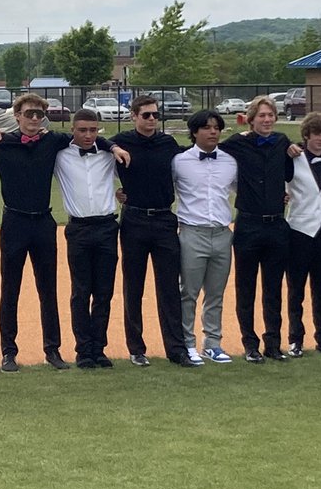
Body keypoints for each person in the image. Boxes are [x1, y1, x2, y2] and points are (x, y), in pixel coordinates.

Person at [0, 93, 127, 372]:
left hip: (43, 222)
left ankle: (52, 350)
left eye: (39, 114)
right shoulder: (1, 143)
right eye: (29, 114)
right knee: (10, 288)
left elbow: (88, 136)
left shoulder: (54, 141)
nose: (35, 119)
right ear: (17, 115)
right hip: (14, 221)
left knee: (48, 289)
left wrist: (112, 146)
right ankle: (8, 352)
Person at [112, 95, 194, 368]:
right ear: (134, 115)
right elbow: (97, 156)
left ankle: (176, 349)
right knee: (133, 286)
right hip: (134, 219)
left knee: (169, 287)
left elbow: (192, 156)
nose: (151, 120)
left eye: (155, 115)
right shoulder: (122, 142)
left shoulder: (167, 143)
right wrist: (117, 192)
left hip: (164, 220)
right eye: (145, 115)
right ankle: (136, 348)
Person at [218, 95, 294, 363]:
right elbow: (212, 153)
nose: (267, 120)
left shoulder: (282, 142)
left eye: (270, 115)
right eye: (261, 116)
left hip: (276, 224)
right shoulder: (238, 144)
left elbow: (289, 174)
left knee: (273, 288)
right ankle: (249, 344)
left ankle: (273, 343)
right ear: (250, 119)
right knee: (246, 287)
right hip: (248, 224)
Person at [54, 108, 120, 368]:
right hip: (79, 229)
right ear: (72, 130)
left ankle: (99, 348)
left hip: (106, 227)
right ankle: (83, 350)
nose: (88, 135)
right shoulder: (60, 156)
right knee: (81, 292)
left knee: (104, 292)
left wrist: (111, 146)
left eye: (93, 130)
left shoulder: (109, 155)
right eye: (82, 130)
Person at [172, 109, 238, 365]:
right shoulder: (179, 161)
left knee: (215, 293)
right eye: (207, 127)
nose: (213, 132)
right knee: (188, 292)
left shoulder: (230, 162)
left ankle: (213, 343)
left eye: (217, 128)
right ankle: (187, 343)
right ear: (194, 132)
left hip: (222, 234)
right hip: (192, 232)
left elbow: (241, 189)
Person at [284, 112, 321, 358]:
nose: (320, 139)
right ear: (306, 136)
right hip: (299, 231)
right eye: (316, 134)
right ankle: (296, 339)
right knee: (296, 290)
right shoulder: (293, 159)